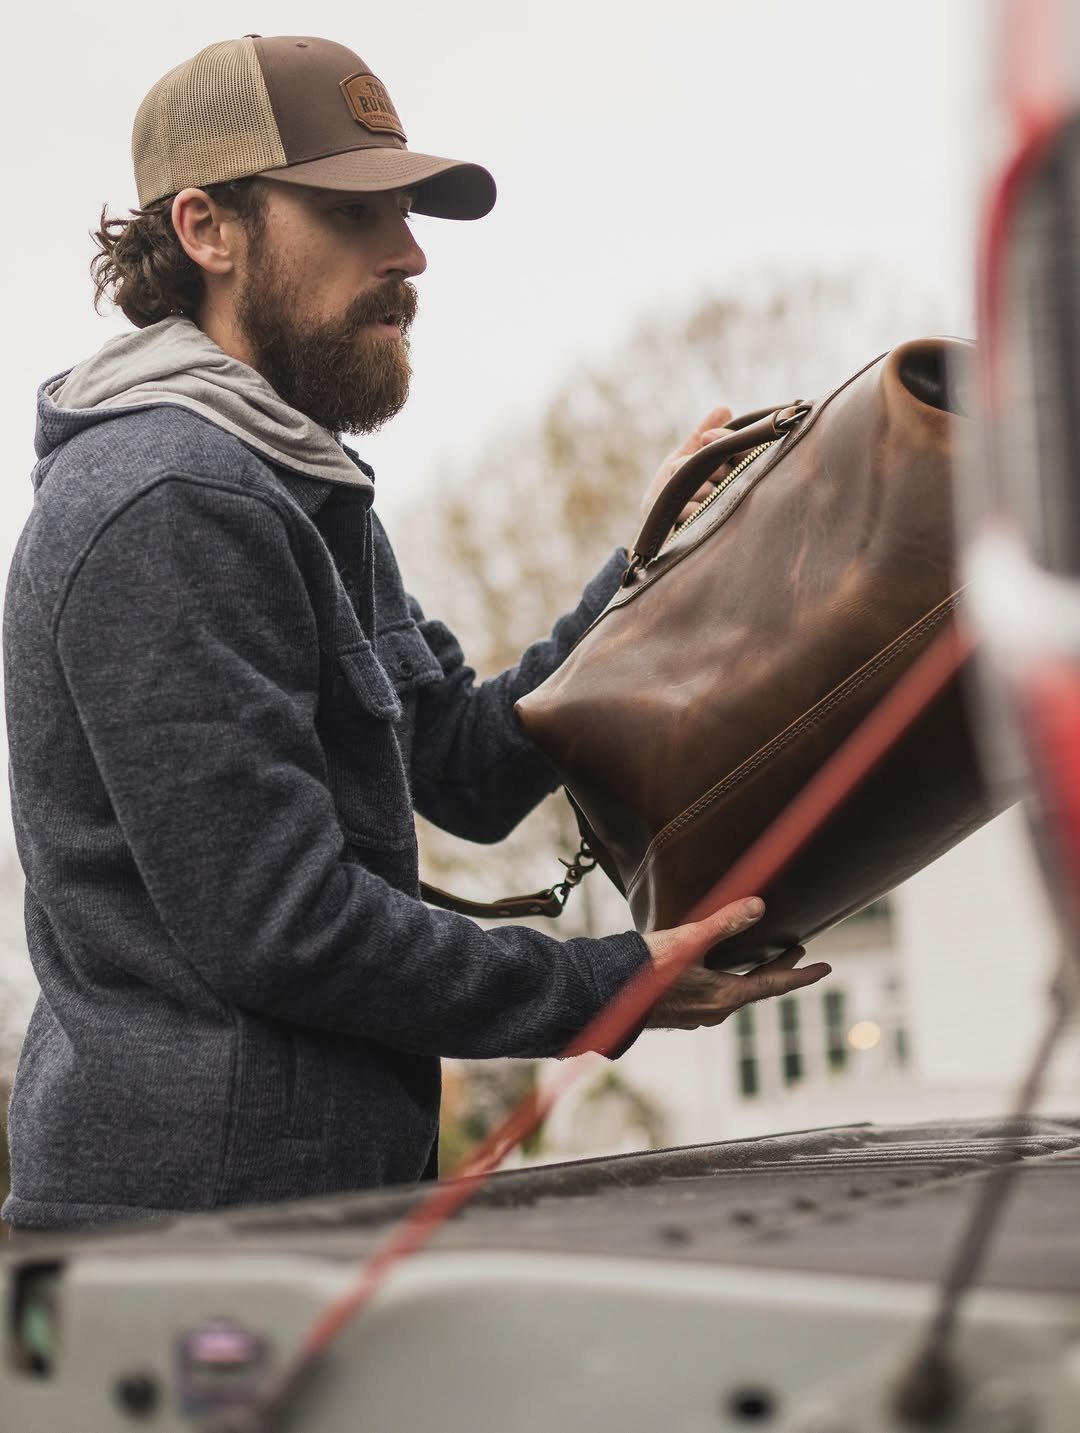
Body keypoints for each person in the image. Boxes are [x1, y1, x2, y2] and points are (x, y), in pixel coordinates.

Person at [1, 35, 830, 1232]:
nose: (410, 254)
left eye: (403, 208)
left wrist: (653, 557)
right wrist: (606, 986)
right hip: (182, 1245)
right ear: (205, 227)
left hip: (304, 1214)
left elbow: (466, 767)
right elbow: (285, 927)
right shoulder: (171, 498)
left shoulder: (289, 479)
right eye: (354, 214)